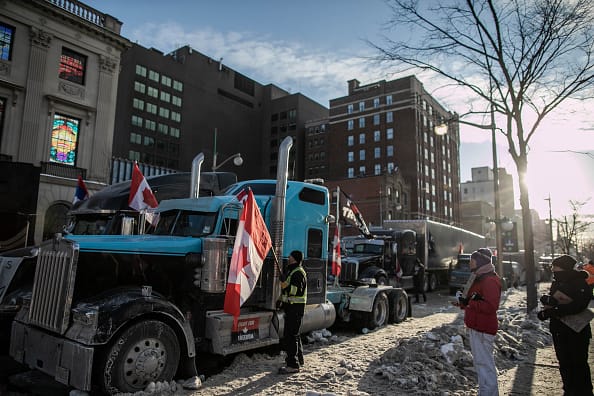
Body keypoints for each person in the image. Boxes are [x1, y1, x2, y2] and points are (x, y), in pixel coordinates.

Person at [537, 254, 593, 395]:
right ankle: (569, 390)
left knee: (578, 363)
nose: (553, 271)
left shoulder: (580, 283)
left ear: (564, 268)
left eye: (555, 268)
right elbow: (556, 300)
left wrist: (554, 311)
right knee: (564, 363)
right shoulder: (558, 282)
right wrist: (548, 301)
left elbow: (578, 306)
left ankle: (584, 392)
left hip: (577, 330)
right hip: (559, 329)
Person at [453, 248, 501, 396]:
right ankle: (485, 392)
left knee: (485, 363)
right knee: (481, 363)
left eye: (472, 261)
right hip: (476, 326)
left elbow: (491, 306)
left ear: (480, 262)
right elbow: (472, 299)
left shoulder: (489, 280)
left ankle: (490, 393)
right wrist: (462, 302)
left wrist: (469, 302)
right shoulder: (478, 277)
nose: (470, 264)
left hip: (483, 328)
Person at [278, 250, 307, 374]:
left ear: (294, 258)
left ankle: (293, 365)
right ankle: (298, 360)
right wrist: (280, 300)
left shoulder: (298, 273)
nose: (288, 257)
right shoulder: (293, 271)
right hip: (291, 308)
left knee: (290, 336)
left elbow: (295, 291)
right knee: (294, 334)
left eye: (290, 256)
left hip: (295, 308)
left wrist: (284, 284)